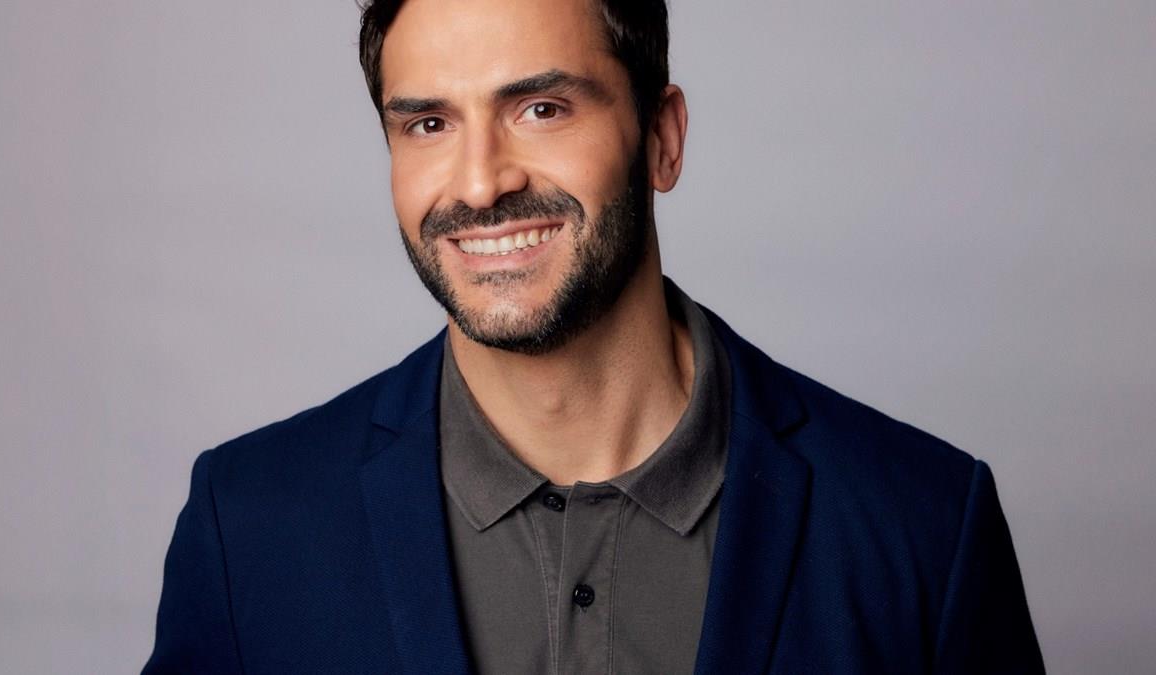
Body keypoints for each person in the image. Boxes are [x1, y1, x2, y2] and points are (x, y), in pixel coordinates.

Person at [143, 0, 1045, 673]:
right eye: (428, 123)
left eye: (541, 108)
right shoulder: (248, 529)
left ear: (662, 138)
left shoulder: (923, 529)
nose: (480, 183)